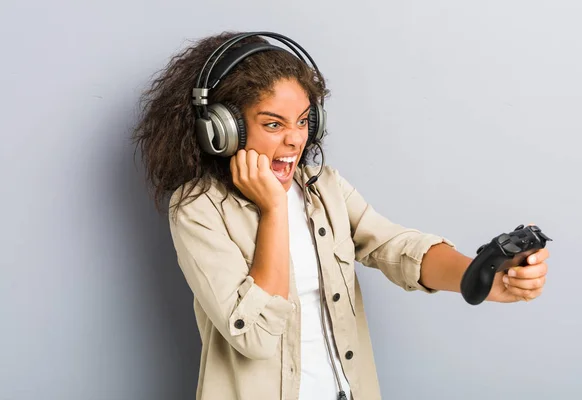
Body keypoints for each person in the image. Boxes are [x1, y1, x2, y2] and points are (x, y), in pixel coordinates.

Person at [131, 31, 550, 400]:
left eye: (302, 121)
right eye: (273, 124)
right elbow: (256, 335)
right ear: (222, 129)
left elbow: (395, 247)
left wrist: (480, 277)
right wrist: (274, 209)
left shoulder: (323, 187)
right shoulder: (198, 209)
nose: (295, 139)